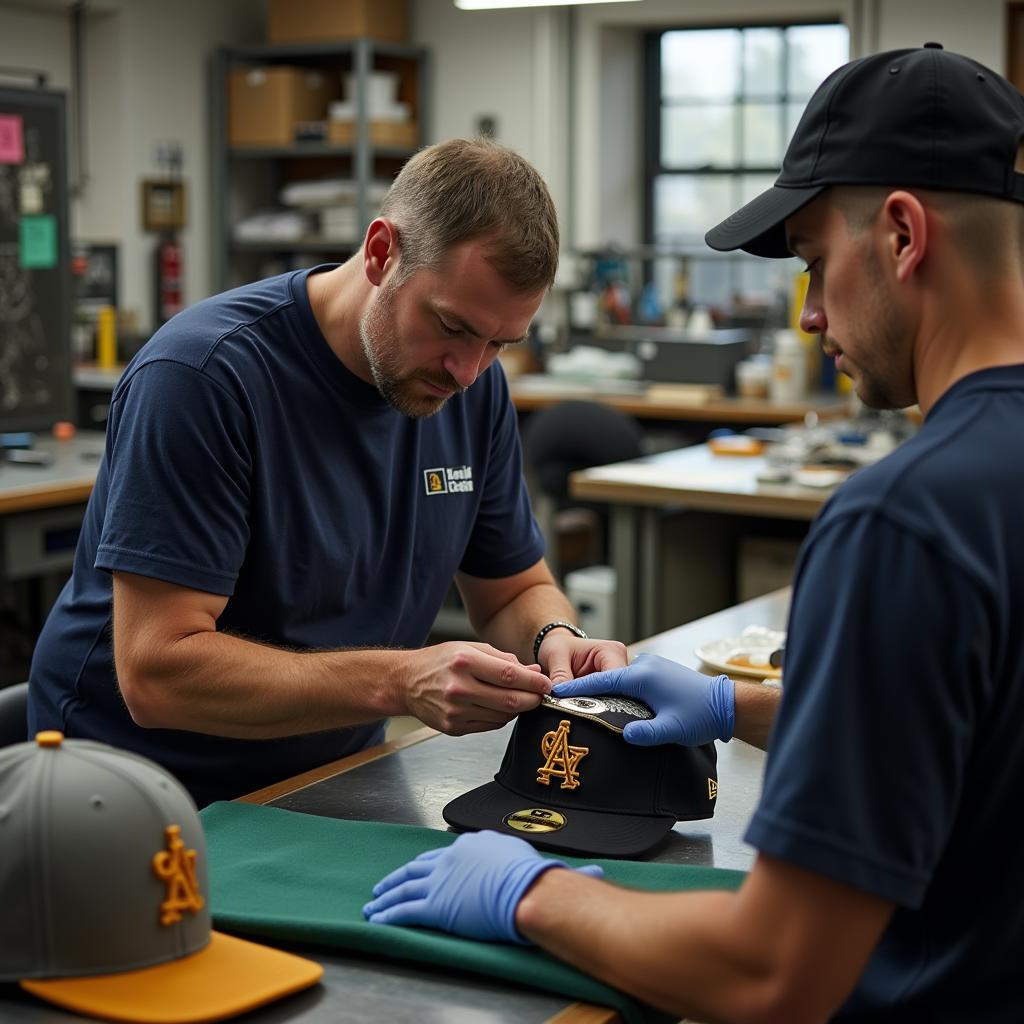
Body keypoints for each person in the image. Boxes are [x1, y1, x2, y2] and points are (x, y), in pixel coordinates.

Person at [364, 44, 1024, 1022]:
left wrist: (533, 893)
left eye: (812, 263)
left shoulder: (904, 519)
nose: (808, 315)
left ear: (899, 235)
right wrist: (736, 707)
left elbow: (772, 975)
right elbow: (980, 740)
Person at [28, 138, 626, 806]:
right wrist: (400, 682)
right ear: (380, 253)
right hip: (139, 789)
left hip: (332, 772)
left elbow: (512, 591)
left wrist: (557, 640)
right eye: (452, 326)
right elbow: (157, 673)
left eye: (499, 343)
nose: (469, 369)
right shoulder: (203, 380)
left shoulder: (473, 387)